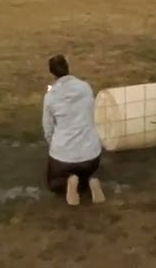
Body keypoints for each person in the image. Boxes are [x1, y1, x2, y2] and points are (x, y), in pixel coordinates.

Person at [42, 54, 104, 206]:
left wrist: (54, 144)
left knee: (54, 183)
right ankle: (90, 180)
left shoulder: (50, 97)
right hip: (91, 154)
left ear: (52, 73)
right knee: (85, 170)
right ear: (68, 67)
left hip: (64, 157)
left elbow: (47, 127)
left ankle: (70, 182)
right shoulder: (85, 87)